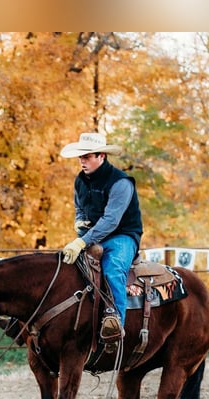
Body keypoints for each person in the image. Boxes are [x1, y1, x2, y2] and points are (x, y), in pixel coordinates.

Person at [60, 132, 143, 342]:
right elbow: (79, 208)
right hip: (92, 235)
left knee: (113, 269)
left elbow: (111, 221)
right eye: (81, 157)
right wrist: (78, 222)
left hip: (122, 235)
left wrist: (81, 240)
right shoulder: (80, 181)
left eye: (87, 157)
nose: (82, 161)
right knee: (65, 268)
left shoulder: (121, 183)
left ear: (101, 157)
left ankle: (115, 324)